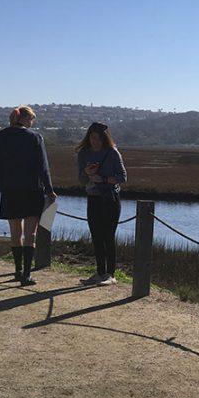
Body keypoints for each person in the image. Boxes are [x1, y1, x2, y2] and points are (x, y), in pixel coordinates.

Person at [0, 105, 56, 286]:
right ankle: (26, 274)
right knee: (30, 233)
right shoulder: (35, 138)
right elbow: (43, 167)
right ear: (25, 119)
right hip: (32, 190)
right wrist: (49, 189)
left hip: (9, 189)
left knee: (15, 232)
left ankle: (17, 271)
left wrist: (6, 174)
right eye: (32, 119)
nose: (32, 123)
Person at [76, 122, 127, 286]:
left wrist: (104, 179)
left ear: (104, 138)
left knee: (108, 235)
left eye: (98, 138)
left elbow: (123, 177)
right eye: (92, 138)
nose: (95, 141)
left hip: (110, 198)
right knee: (96, 235)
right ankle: (99, 272)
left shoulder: (112, 153)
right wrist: (86, 173)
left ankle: (110, 274)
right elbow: (81, 180)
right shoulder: (83, 154)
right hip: (93, 198)